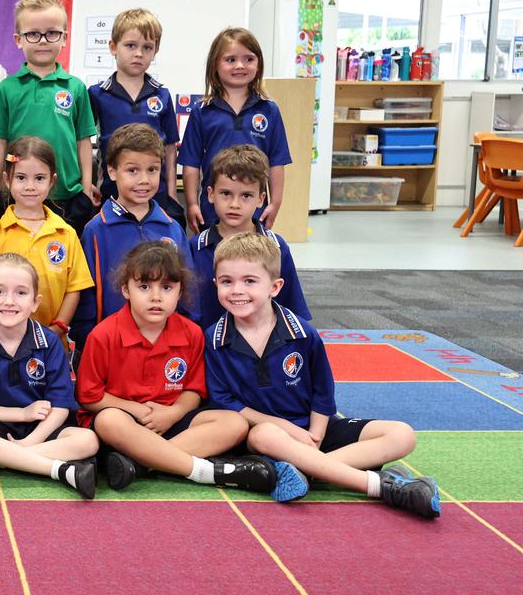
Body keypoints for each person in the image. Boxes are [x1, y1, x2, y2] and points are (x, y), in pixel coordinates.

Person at [204, 234, 440, 517]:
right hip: (267, 438)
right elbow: (226, 402)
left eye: (249, 281)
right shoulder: (214, 340)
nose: (236, 290)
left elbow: (323, 392)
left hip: (314, 430)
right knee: (265, 435)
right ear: (216, 283)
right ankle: (379, 485)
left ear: (275, 287)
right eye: (227, 281)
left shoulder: (302, 332)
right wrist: (290, 430)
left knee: (402, 434)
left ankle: (306, 471)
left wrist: (315, 434)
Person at [77, 241, 303, 497]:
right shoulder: (103, 335)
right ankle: (204, 471)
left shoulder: (191, 334)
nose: (155, 297)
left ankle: (141, 464)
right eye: (143, 287)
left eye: (166, 287)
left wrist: (172, 414)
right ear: (125, 290)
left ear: (180, 290)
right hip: (128, 425)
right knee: (109, 420)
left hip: (171, 422)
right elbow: (90, 397)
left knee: (235, 423)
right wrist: (138, 410)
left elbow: (194, 391)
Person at [0, 253, 99, 499]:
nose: (9, 301)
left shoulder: (51, 342)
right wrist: (21, 413)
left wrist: (29, 443)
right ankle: (59, 469)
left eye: (21, 293)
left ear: (35, 302)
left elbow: (61, 405)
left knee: (88, 440)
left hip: (42, 429)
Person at [0, 0, 98, 233]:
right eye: (33, 34)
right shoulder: (7, 88)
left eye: (52, 33)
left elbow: (83, 141)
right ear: (18, 39)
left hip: (67, 197)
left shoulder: (75, 88)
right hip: (19, 194)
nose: (43, 40)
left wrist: (86, 190)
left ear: (64, 38)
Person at [71, 123, 188, 351]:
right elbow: (85, 298)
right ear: (112, 171)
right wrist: (89, 344)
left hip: (164, 349)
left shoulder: (173, 229)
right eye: (133, 170)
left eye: (152, 170)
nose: (144, 180)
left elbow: (186, 294)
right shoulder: (96, 230)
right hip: (111, 349)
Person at [0, 136, 92, 347]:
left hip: (53, 343)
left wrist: (57, 329)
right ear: (7, 179)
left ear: (52, 181)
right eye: (21, 178)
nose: (30, 186)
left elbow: (74, 288)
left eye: (39, 178)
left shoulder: (66, 234)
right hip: (2, 341)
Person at [185, 145, 310, 329]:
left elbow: (294, 312)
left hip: (263, 351)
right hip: (208, 352)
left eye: (246, 195)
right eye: (226, 193)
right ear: (211, 194)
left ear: (261, 199)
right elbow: (185, 313)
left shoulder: (276, 247)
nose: (235, 204)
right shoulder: (195, 248)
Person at [180, 27, 291, 232]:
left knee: (252, 259)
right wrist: (192, 203)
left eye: (249, 59)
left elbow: (277, 163)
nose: (240, 65)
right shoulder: (202, 112)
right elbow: (191, 164)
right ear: (215, 65)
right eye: (230, 60)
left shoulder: (269, 110)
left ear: (259, 64)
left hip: (254, 209)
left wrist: (275, 203)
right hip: (213, 209)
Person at [88, 8, 183, 226]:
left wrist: (170, 191)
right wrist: (85, 183)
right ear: (113, 47)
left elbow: (169, 147)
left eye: (147, 47)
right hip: (112, 191)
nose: (139, 53)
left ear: (155, 51)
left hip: (154, 191)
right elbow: (82, 142)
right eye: (131, 46)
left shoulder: (162, 95)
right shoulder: (97, 94)